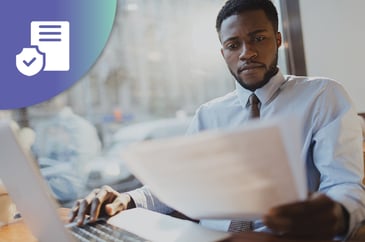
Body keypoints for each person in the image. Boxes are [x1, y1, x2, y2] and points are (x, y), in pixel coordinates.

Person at [68, 0, 365, 239]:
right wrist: (126, 199)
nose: (247, 53)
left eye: (258, 38)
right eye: (234, 45)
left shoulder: (322, 95)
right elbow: (179, 185)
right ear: (223, 52)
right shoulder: (208, 114)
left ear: (278, 40)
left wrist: (337, 215)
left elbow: (346, 186)